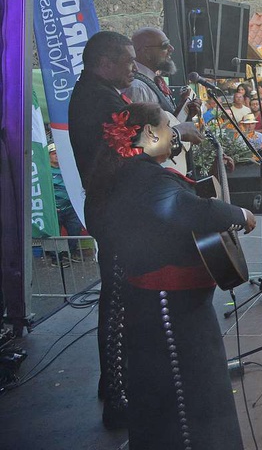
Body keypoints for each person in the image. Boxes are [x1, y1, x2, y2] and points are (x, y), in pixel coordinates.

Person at [90, 102, 254, 449]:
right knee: (189, 409)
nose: (173, 134)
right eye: (168, 126)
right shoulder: (145, 177)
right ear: (150, 133)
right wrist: (239, 213)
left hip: (171, 310)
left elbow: (182, 200)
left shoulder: (136, 173)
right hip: (172, 317)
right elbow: (188, 208)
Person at [67, 31, 138, 427]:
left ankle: (111, 381)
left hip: (110, 209)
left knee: (117, 302)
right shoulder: (101, 99)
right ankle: (116, 395)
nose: (133, 66)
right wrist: (177, 136)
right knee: (117, 306)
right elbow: (135, 148)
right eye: (127, 60)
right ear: (105, 62)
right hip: (114, 213)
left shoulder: (93, 92)